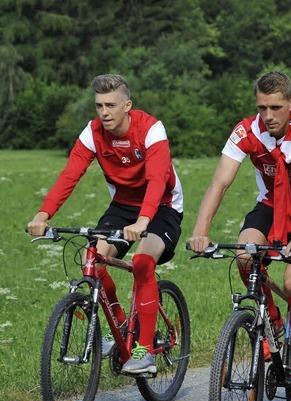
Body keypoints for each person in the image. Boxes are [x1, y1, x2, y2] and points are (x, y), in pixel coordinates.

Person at [188, 71, 291, 401]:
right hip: (271, 207)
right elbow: (220, 182)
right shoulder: (248, 130)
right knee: (245, 255)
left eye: (276, 107)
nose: (268, 116)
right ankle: (272, 321)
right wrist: (200, 232)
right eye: (262, 108)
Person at [27, 74, 183, 375]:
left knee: (142, 261)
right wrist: (43, 215)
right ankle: (121, 325)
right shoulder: (93, 132)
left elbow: (156, 180)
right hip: (123, 206)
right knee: (95, 260)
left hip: (162, 205)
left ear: (127, 105)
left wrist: (143, 220)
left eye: (111, 105)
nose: (104, 112)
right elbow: (70, 174)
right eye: (99, 105)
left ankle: (145, 349)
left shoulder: (151, 129)